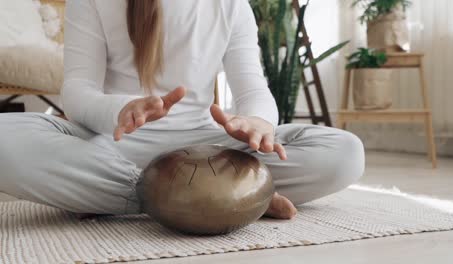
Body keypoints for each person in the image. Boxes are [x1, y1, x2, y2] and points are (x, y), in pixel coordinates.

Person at [0, 0, 365, 220]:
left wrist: (255, 121)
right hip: (112, 144)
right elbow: (78, 93)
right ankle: (225, 200)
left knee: (345, 152)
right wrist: (121, 110)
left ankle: (127, 197)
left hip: (206, 153)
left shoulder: (230, 4)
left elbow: (253, 88)